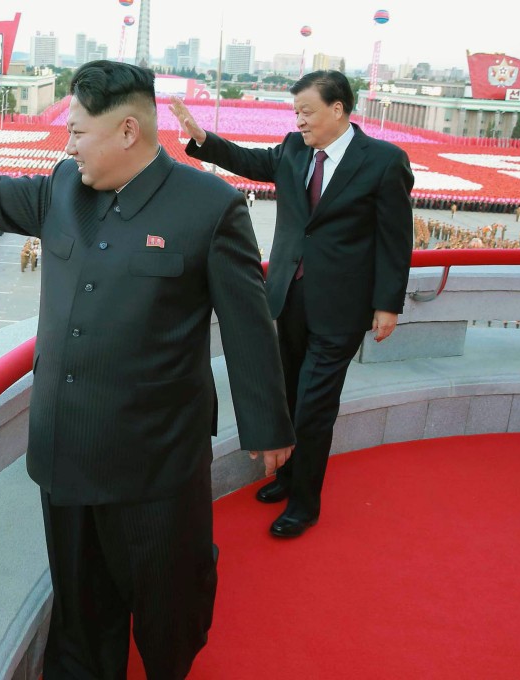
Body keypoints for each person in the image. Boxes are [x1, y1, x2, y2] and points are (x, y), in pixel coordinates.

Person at [0, 60, 295, 680]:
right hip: (66, 450)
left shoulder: (208, 206)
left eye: (77, 132)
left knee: (166, 607)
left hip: (155, 460)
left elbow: (249, 326)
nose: (67, 145)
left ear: (128, 131)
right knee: (81, 607)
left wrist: (267, 426)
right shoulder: (64, 188)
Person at [172, 69, 414, 539]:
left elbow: (394, 240)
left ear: (338, 109)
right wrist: (203, 139)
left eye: (307, 111)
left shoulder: (384, 161)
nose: (299, 120)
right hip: (287, 296)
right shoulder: (293, 148)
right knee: (285, 397)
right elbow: (251, 160)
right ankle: (285, 478)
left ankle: (304, 504)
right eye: (295, 112)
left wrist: (388, 304)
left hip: (342, 306)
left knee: (314, 408)